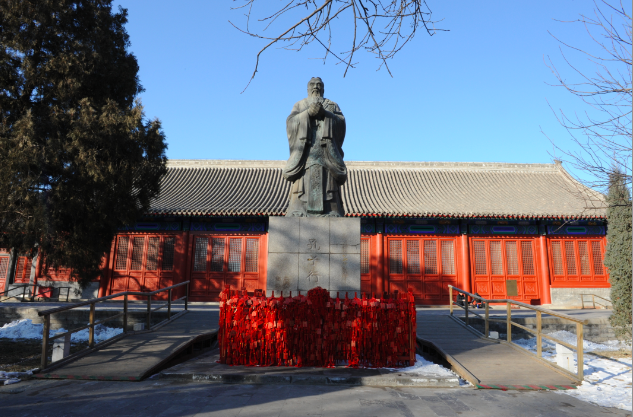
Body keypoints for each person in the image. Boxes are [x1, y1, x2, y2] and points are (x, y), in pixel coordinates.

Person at [283, 77, 347, 217]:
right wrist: (307, 114)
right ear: (308, 88)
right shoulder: (300, 105)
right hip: (305, 152)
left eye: (319, 84)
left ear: (323, 88)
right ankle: (298, 209)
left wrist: (326, 114)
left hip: (326, 152)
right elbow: (290, 123)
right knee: (301, 183)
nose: (316, 87)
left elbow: (341, 123)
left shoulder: (332, 105)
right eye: (312, 84)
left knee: (329, 183)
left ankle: (332, 210)